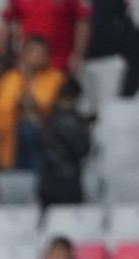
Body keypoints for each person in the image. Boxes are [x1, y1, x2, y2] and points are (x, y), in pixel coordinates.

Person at [0, 36, 64, 171]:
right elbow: (1, 108)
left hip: (41, 142)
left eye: (41, 53)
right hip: (9, 144)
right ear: (23, 55)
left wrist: (28, 81)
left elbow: (46, 108)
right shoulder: (10, 78)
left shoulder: (56, 78)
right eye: (32, 52)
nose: (36, 56)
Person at [37, 77, 92, 207]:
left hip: (47, 180)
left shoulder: (48, 117)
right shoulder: (70, 120)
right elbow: (83, 148)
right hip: (67, 182)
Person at [0, 0, 93, 73]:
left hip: (60, 62)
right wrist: (1, 51)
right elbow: (6, 19)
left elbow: (82, 22)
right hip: (28, 62)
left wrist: (78, 54)